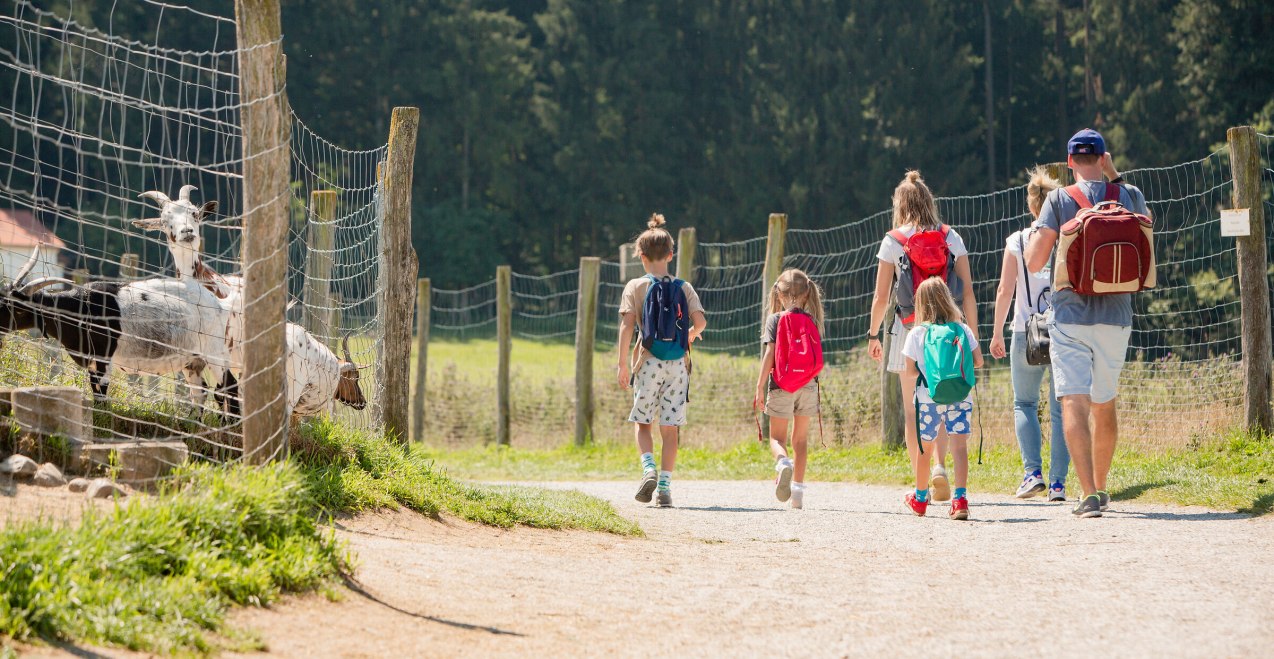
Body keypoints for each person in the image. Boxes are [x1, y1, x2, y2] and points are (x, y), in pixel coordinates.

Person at [1024, 128, 1148, 519]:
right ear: (1103, 158)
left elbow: (1033, 261)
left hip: (1070, 316)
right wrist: (1114, 175)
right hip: (1116, 317)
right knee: (1104, 403)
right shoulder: (1128, 195)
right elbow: (1147, 228)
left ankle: (1088, 492)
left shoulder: (1060, 199)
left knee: (1073, 401)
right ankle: (1102, 484)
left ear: (1070, 162)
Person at [867, 170, 977, 502]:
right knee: (944, 398)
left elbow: (881, 297)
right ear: (929, 201)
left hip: (909, 331)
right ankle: (940, 467)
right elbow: (968, 293)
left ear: (899, 204)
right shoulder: (951, 237)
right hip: (948, 333)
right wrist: (970, 335)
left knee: (915, 409)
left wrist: (873, 334)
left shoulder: (893, 240)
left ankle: (921, 485)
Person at [989, 167, 1071, 502]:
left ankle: (1032, 473)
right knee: (1060, 408)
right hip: (1064, 330)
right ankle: (1058, 484)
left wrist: (996, 332)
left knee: (1024, 402)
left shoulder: (1017, 241)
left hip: (1025, 331)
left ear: (1030, 205)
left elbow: (1004, 290)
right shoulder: (1066, 237)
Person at [617, 213, 707, 508]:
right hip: (678, 365)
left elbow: (627, 327)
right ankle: (665, 488)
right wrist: (691, 334)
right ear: (671, 254)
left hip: (648, 362)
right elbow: (701, 322)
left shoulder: (635, 287)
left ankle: (648, 469)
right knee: (670, 430)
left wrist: (621, 364)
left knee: (643, 423)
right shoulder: (684, 287)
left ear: (641, 257)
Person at [900, 278, 984, 520]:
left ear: (920, 304)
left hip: (928, 399)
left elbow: (910, 371)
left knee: (925, 449)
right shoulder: (963, 329)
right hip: (960, 396)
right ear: (948, 299)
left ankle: (919, 498)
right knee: (959, 447)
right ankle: (960, 500)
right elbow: (978, 361)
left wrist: (929, 372)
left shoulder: (917, 333)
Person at [754, 269, 826, 510]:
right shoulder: (812, 320)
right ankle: (797, 494)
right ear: (807, 295)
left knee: (777, 438)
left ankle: (783, 462)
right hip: (807, 384)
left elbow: (770, 354)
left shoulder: (774, 319)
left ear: (779, 294)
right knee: (801, 440)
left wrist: (760, 385)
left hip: (781, 385)